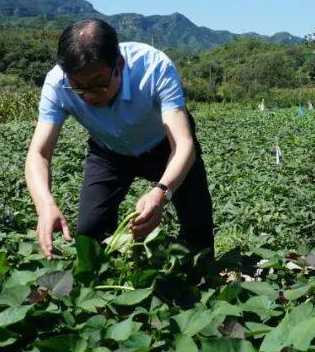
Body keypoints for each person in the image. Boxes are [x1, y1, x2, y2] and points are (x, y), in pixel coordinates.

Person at [25, 19, 214, 258]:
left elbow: (183, 143)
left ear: (119, 66)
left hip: (166, 147)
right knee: (89, 232)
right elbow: (38, 154)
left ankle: (199, 283)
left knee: (198, 230)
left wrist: (161, 192)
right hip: (109, 151)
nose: (89, 96)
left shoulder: (154, 67)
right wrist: (45, 205)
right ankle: (107, 282)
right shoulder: (57, 83)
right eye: (78, 88)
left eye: (98, 85)